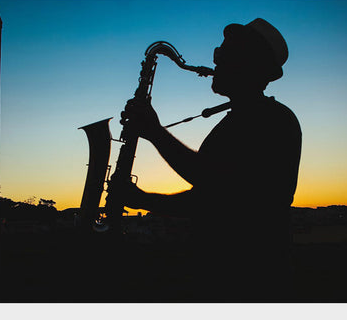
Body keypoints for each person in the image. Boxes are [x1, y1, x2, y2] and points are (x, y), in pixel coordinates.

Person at [120, 18, 302, 302]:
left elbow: (212, 180)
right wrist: (144, 200)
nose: (215, 62)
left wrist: (154, 132)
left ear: (248, 66)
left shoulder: (270, 120)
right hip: (228, 273)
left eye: (224, 56)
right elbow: (210, 199)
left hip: (248, 278)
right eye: (219, 54)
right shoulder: (244, 119)